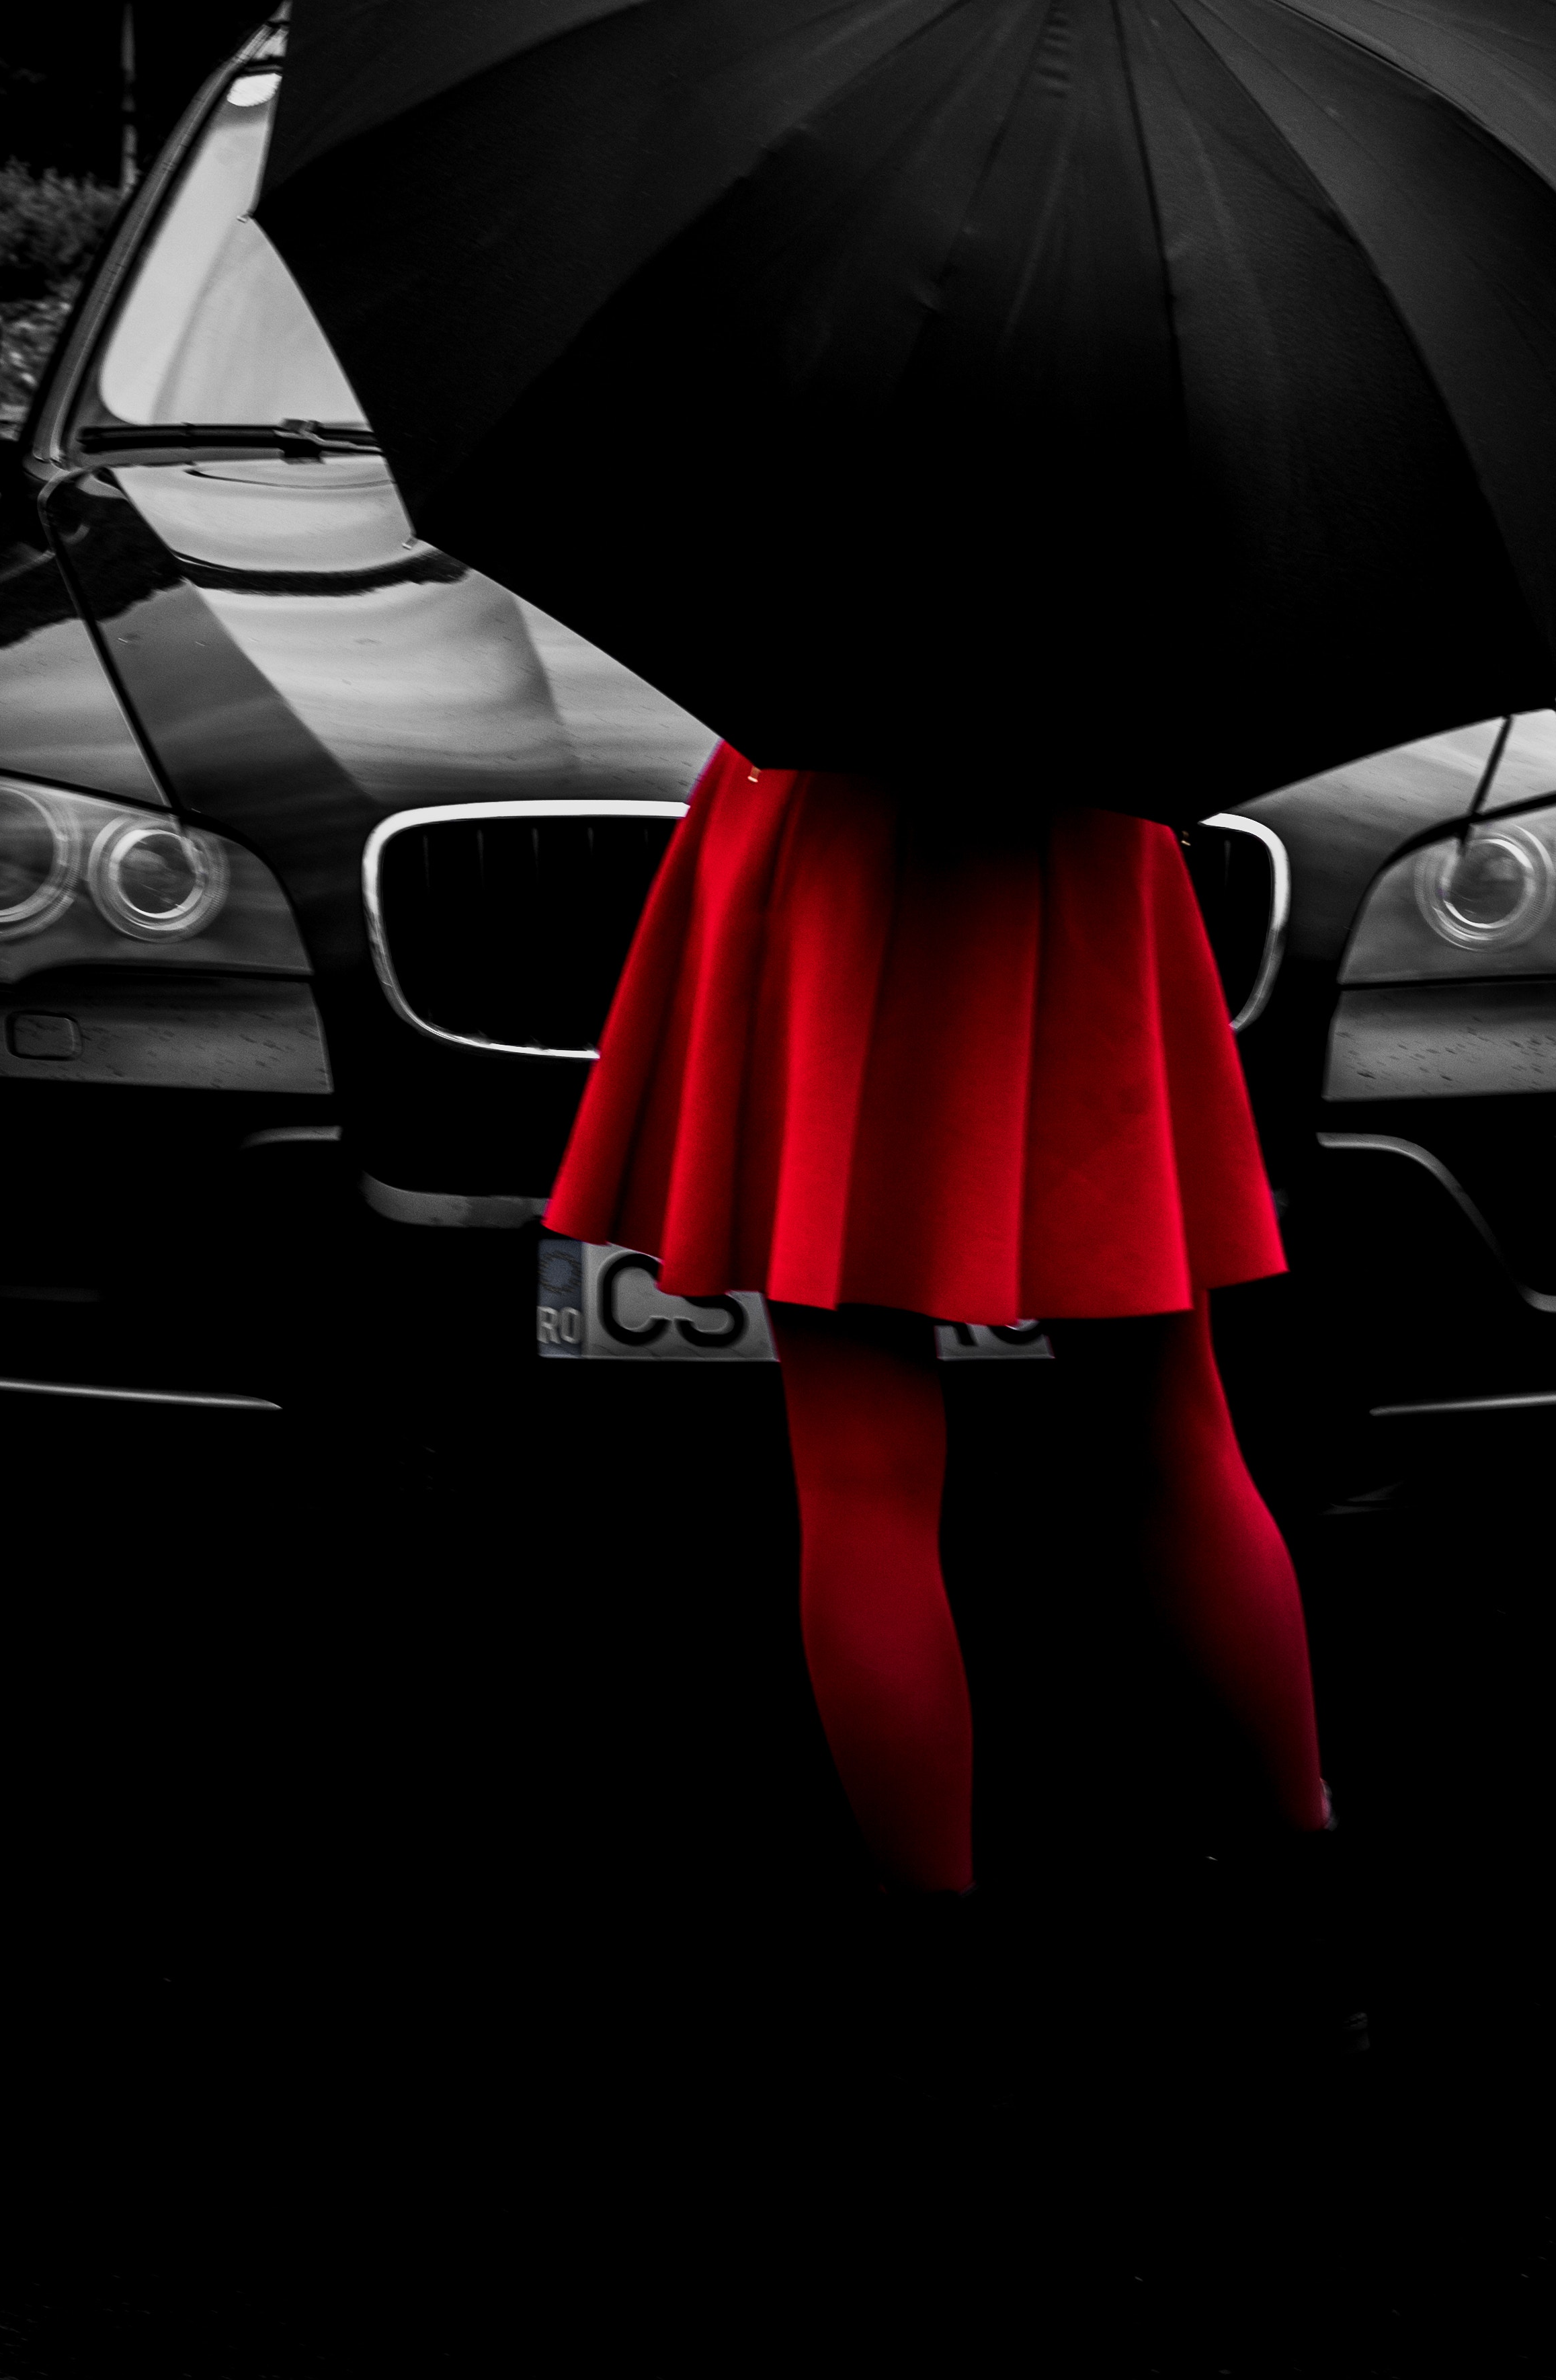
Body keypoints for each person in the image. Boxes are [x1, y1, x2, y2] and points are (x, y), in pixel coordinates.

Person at [545, 748, 1354, 2026]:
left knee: (863, 1477)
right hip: (1079, 845)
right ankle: (1306, 1897)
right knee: (1174, 1433)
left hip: (837, 844)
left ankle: (937, 1970)